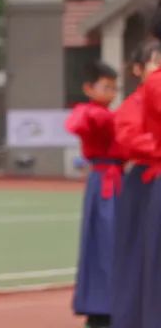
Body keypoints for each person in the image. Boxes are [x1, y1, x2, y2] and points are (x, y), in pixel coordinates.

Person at [67, 61, 123, 328]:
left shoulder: (111, 115)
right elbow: (77, 123)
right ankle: (101, 306)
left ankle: (116, 303)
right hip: (104, 184)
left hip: (120, 182)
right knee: (103, 242)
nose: (111, 93)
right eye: (105, 87)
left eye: (114, 88)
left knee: (117, 242)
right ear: (88, 88)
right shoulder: (89, 113)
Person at [111, 39, 161, 328]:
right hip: (144, 184)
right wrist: (157, 149)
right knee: (139, 254)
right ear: (139, 69)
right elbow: (128, 139)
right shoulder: (135, 103)